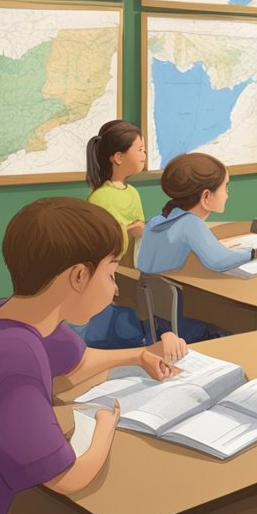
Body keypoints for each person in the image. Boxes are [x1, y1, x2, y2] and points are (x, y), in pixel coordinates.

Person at [0, 198, 187, 514]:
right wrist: (106, 424)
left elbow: (77, 363)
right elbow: (68, 478)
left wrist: (139, 356)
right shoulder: (14, 361)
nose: (116, 290)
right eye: (111, 274)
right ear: (78, 276)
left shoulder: (4, 315)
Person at [137, 153, 257, 342]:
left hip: (155, 322)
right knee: (238, 327)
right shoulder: (191, 224)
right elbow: (219, 261)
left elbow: (145, 261)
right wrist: (255, 252)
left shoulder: (155, 222)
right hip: (182, 326)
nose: (227, 194)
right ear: (206, 196)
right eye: (225, 187)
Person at [79, 120, 152, 349]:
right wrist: (130, 231)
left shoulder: (133, 193)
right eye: (139, 149)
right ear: (118, 157)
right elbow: (100, 242)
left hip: (133, 267)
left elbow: (140, 226)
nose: (144, 154)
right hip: (112, 271)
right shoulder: (100, 197)